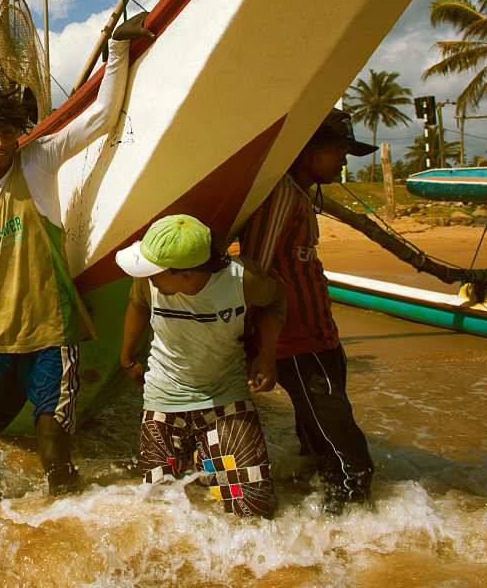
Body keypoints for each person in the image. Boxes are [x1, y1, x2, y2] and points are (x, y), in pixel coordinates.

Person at [0, 12, 151, 501]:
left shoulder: (37, 161)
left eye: (7, 133)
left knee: (54, 450)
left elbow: (100, 118)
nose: (0, 144)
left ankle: (63, 525)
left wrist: (116, 50)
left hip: (53, 334)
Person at [237, 107, 376, 514]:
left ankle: (324, 513)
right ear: (305, 151)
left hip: (317, 333)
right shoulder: (280, 193)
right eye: (337, 150)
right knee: (342, 442)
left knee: (318, 432)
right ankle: (355, 524)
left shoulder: (297, 193)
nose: (343, 160)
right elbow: (256, 272)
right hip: (295, 338)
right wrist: (258, 344)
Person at [116, 214, 287, 518]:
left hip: (226, 391)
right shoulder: (147, 283)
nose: (148, 277)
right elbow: (138, 305)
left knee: (253, 510)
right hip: (164, 396)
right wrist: (127, 355)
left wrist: (267, 353)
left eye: (155, 272)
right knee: (160, 511)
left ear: (187, 276)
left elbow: (275, 300)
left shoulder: (241, 278)